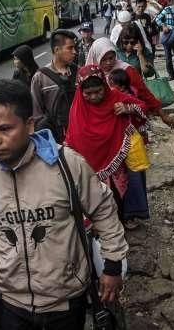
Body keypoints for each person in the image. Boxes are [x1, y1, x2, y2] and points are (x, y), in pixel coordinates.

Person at [0, 80, 128, 329]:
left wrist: (113, 266)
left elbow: (103, 210)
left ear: (29, 125)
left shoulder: (66, 164)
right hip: (11, 302)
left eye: (5, 129)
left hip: (65, 301)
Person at [65, 66, 150, 228]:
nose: (94, 97)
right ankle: (102, 226)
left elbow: (143, 107)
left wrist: (127, 108)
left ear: (105, 85)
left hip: (115, 157)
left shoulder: (115, 96)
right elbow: (71, 136)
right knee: (94, 195)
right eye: (88, 94)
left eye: (98, 91)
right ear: (80, 90)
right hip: (89, 161)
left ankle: (124, 219)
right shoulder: (76, 108)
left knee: (119, 191)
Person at [85, 37, 174, 129]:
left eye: (111, 58)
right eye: (104, 60)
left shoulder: (126, 70)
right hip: (100, 124)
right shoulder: (90, 75)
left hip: (125, 124)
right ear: (96, 57)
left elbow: (144, 93)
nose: (108, 62)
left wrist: (163, 115)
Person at [30, 29, 78, 143]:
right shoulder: (40, 77)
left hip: (79, 135)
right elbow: (36, 114)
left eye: (74, 47)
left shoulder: (78, 72)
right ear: (57, 50)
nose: (75, 51)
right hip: (55, 139)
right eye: (70, 48)